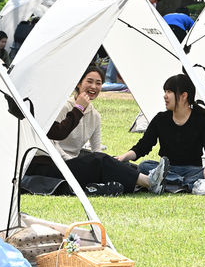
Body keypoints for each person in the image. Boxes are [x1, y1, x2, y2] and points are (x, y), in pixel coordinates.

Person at [26, 66, 170, 195]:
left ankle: (154, 182)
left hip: (73, 163)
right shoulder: (64, 107)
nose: (93, 86)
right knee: (99, 161)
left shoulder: (95, 116)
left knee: (112, 162)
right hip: (53, 164)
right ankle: (149, 182)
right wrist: (75, 161)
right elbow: (53, 142)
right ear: (78, 83)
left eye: (98, 83)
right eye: (89, 81)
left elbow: (96, 149)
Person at [115, 73, 205, 194]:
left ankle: (170, 184)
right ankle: (191, 185)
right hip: (167, 169)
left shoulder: (200, 119)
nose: (165, 96)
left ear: (184, 95)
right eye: (165, 91)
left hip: (193, 170)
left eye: (169, 92)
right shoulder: (160, 119)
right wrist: (123, 157)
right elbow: (143, 146)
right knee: (144, 166)